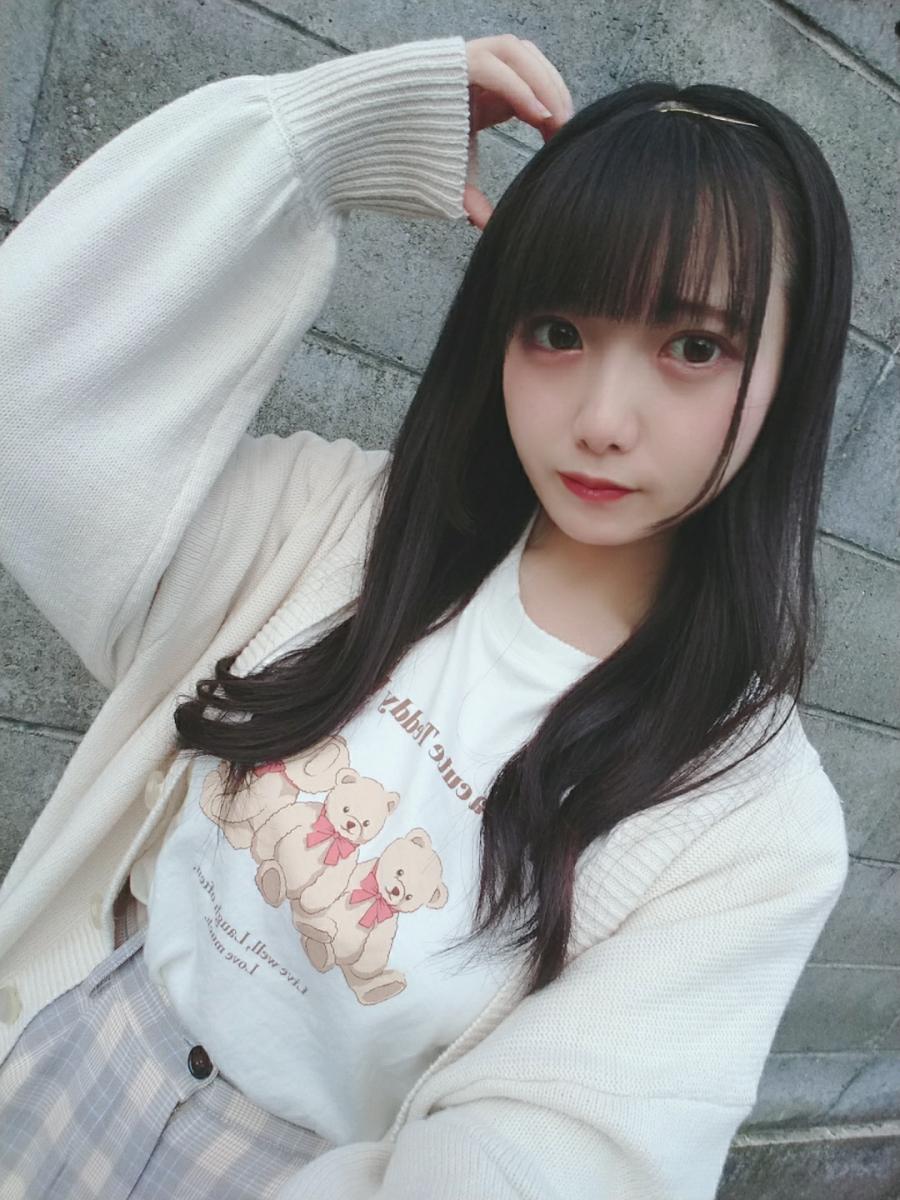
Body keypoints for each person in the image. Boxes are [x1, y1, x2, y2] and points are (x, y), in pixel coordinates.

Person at [0, 30, 852, 1200]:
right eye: (558, 331)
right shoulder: (327, 529)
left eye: (694, 347)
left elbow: (556, 1157)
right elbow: (30, 408)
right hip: (59, 1057)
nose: (604, 419)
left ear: (791, 373)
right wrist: (319, 139)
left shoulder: (750, 818)